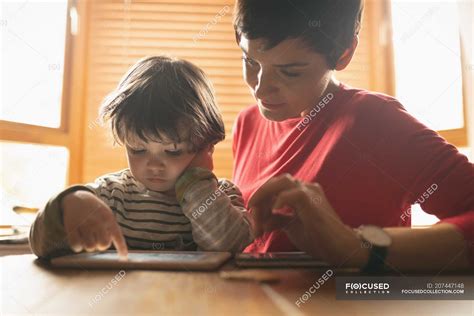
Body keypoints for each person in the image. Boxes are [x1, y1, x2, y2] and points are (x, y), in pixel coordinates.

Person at [232, 0, 473, 271]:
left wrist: (355, 246)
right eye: (250, 61)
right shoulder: (247, 123)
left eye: (290, 71)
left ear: (344, 53)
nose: (261, 89)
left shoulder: (376, 121)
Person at [29, 56, 254, 259]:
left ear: (206, 147)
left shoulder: (221, 195)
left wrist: (196, 184)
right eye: (137, 150)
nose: (154, 165)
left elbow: (228, 246)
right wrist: (67, 204)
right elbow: (43, 246)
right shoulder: (111, 195)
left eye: (173, 151)